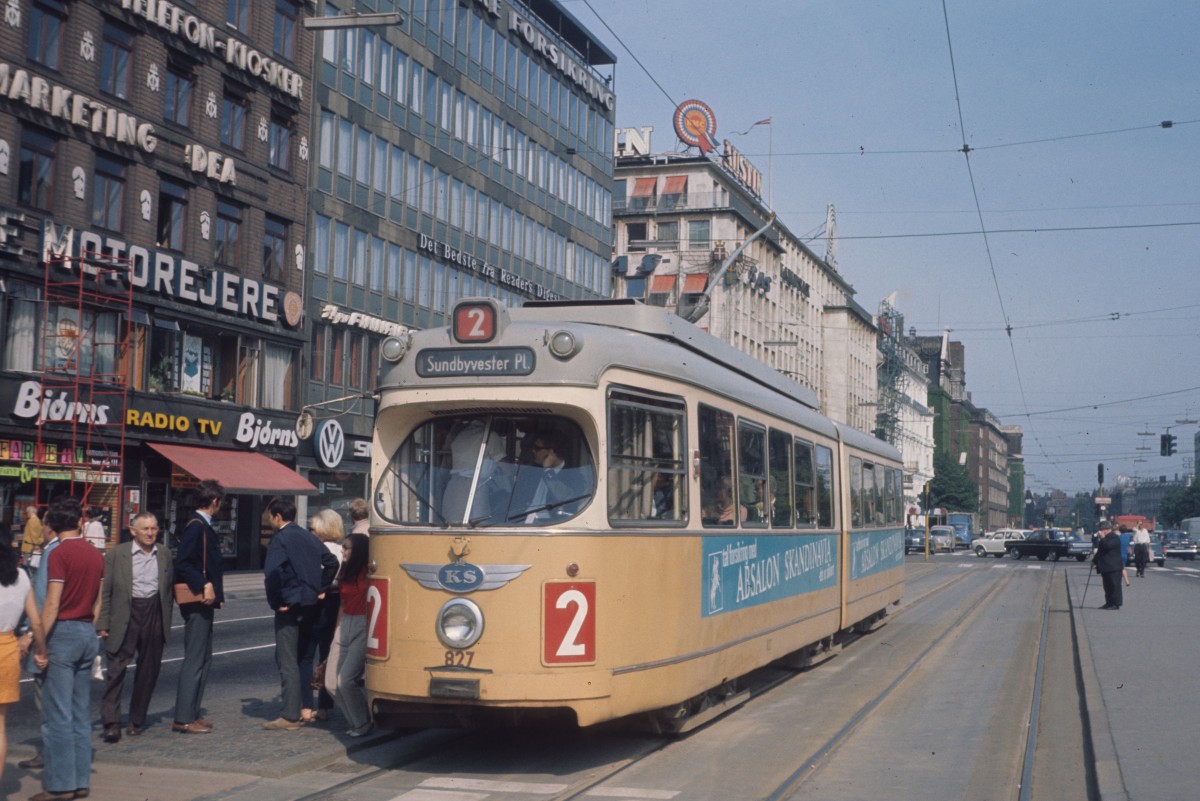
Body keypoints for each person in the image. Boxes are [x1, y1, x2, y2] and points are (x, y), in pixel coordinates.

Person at [38, 496, 105, 801]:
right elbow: (98, 601)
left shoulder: (58, 554)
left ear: (51, 525)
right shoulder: (94, 554)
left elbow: (52, 603)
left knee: (58, 715)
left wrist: (39, 642)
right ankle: (80, 781)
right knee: (80, 712)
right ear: (80, 521)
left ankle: (60, 785)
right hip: (86, 631)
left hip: (62, 633)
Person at [95, 513, 174, 742]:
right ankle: (111, 722)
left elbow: (167, 591)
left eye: (154, 528)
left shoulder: (165, 554)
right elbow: (106, 591)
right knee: (116, 669)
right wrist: (103, 622)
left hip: (153, 612)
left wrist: (165, 618)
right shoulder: (116, 554)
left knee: (149, 670)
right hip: (125, 613)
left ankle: (136, 720)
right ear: (133, 531)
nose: (150, 533)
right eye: (145, 529)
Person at [262, 498, 338, 731]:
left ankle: (290, 713)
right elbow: (332, 562)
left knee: (287, 658)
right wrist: (320, 588)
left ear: (277, 516)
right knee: (302, 654)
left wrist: (277, 601)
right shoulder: (307, 536)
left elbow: (273, 573)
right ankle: (299, 709)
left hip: (290, 604)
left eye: (270, 517)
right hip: (310, 603)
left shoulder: (281, 539)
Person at [172, 479, 225, 734]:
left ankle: (192, 712)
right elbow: (183, 564)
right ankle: (183, 717)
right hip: (197, 601)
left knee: (204, 656)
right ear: (215, 501)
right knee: (195, 657)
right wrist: (204, 583)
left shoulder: (202, 525)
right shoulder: (197, 526)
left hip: (206, 601)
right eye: (221, 502)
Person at [1, 528, 48, 788]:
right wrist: (41, 650)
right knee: (0, 727)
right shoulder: (20, 576)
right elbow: (37, 621)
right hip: (7, 646)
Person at [17, 512, 61, 772]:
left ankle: (48, 753)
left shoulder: (51, 555)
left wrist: (31, 636)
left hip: (49, 636)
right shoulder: (82, 550)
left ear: (49, 527)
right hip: (73, 637)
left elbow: (43, 599)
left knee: (45, 700)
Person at [305, 509, 344, 723]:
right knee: (327, 655)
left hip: (318, 601)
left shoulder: (316, 550)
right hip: (334, 602)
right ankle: (325, 706)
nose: (311, 532)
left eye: (313, 528)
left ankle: (305, 703)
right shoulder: (341, 549)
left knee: (307, 653)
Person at [333, 533, 372, 737]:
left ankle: (362, 723)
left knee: (346, 680)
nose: (342, 550)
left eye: (346, 547)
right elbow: (342, 602)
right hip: (346, 621)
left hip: (363, 623)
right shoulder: (345, 569)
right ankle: (357, 721)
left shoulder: (369, 571)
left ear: (357, 550)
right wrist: (337, 629)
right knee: (332, 682)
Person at [518, 431, 588, 523]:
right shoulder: (531, 472)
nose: (533, 451)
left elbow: (565, 498)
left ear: (551, 452)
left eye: (537, 448)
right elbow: (519, 499)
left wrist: (548, 472)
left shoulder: (573, 475)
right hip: (522, 519)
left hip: (549, 523)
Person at [1093, 522, 1124, 610]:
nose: (1099, 532)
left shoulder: (1114, 538)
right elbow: (1100, 551)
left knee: (1114, 586)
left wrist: (1102, 538)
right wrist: (1094, 561)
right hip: (1106, 566)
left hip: (1114, 566)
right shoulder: (1105, 538)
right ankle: (1109, 602)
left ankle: (1115, 604)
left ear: (1106, 530)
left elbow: (1107, 546)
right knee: (1107, 586)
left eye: (1101, 530)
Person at [20, 505, 44, 571]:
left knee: (28, 568)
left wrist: (36, 544)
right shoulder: (38, 520)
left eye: (27, 512)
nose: (27, 514)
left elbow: (34, 536)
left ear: (31, 512)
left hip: (29, 548)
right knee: (31, 567)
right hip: (31, 547)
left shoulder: (32, 521)